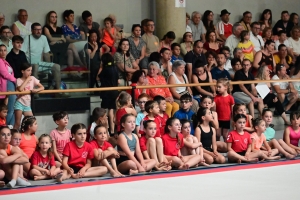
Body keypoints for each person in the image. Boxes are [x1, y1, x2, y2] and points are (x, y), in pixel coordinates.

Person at [21, 23, 61, 91]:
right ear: (32, 30)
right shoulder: (28, 38)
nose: (38, 31)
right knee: (36, 66)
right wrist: (26, 66)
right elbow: (22, 53)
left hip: (40, 63)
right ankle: (35, 92)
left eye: (40, 29)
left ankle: (58, 90)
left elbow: (46, 53)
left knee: (56, 66)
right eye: (36, 30)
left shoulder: (43, 38)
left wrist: (49, 66)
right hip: (30, 64)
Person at [13, 63, 44, 129]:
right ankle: (13, 137)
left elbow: (42, 87)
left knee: (32, 121)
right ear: (22, 71)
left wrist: (36, 90)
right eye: (28, 70)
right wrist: (27, 80)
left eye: (31, 70)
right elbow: (20, 89)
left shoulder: (32, 78)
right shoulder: (18, 80)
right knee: (17, 123)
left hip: (27, 104)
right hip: (19, 102)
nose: (30, 72)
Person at [98, 53, 119, 131]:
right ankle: (112, 130)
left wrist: (100, 68)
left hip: (106, 92)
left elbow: (98, 78)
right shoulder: (115, 68)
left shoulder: (105, 69)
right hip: (114, 91)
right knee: (111, 110)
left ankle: (105, 128)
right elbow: (118, 80)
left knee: (103, 111)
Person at [0, 44, 16, 126]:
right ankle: (8, 127)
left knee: (12, 108)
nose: (3, 52)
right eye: (1, 50)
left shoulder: (5, 61)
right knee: (9, 109)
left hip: (10, 83)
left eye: (4, 50)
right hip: (7, 84)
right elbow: (5, 74)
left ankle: (10, 127)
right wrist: (16, 81)